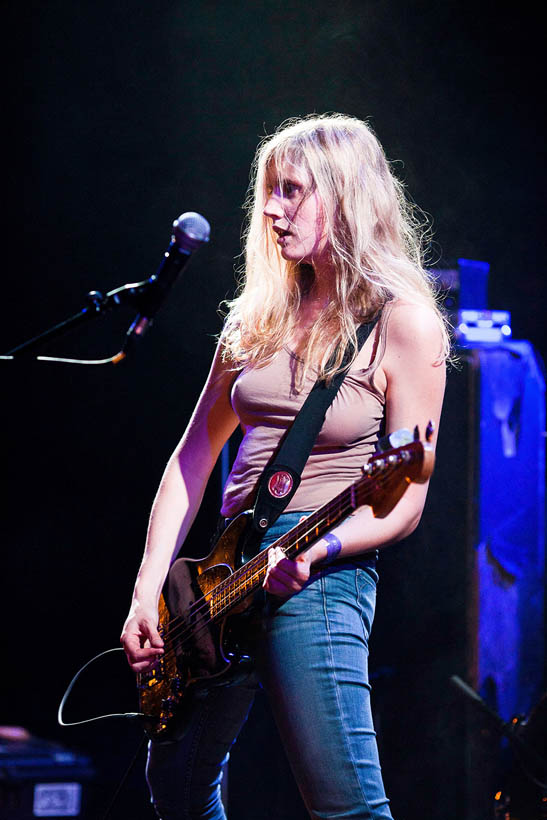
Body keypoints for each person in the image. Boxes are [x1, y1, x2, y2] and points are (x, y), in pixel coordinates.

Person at [121, 113, 448, 820]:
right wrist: (147, 589)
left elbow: (406, 499)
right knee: (176, 792)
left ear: (346, 197)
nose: (269, 209)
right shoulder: (256, 318)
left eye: (291, 191)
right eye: (268, 191)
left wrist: (322, 546)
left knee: (345, 807)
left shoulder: (402, 323)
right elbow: (193, 455)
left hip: (318, 576)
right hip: (218, 580)